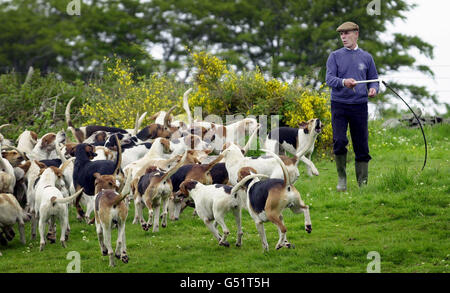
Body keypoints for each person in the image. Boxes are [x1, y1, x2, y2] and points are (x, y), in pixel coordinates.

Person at [325, 21, 379, 191]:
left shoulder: (367, 57)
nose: (343, 37)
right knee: (339, 141)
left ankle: (362, 184)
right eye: (341, 34)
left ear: (356, 33)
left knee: (361, 145)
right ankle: (342, 179)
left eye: (347, 33)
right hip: (339, 105)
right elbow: (329, 79)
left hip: (360, 106)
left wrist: (373, 89)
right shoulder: (334, 56)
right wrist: (343, 82)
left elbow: (374, 80)